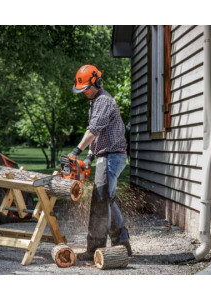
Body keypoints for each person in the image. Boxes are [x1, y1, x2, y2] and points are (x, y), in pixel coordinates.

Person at [62, 64, 131, 257]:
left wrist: (77, 151)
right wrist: (90, 157)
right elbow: (97, 134)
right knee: (107, 200)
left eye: (86, 89)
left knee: (101, 201)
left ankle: (96, 248)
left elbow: (93, 131)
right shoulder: (95, 102)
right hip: (106, 155)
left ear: (97, 82)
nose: (85, 93)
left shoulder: (104, 101)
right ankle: (122, 244)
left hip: (112, 156)